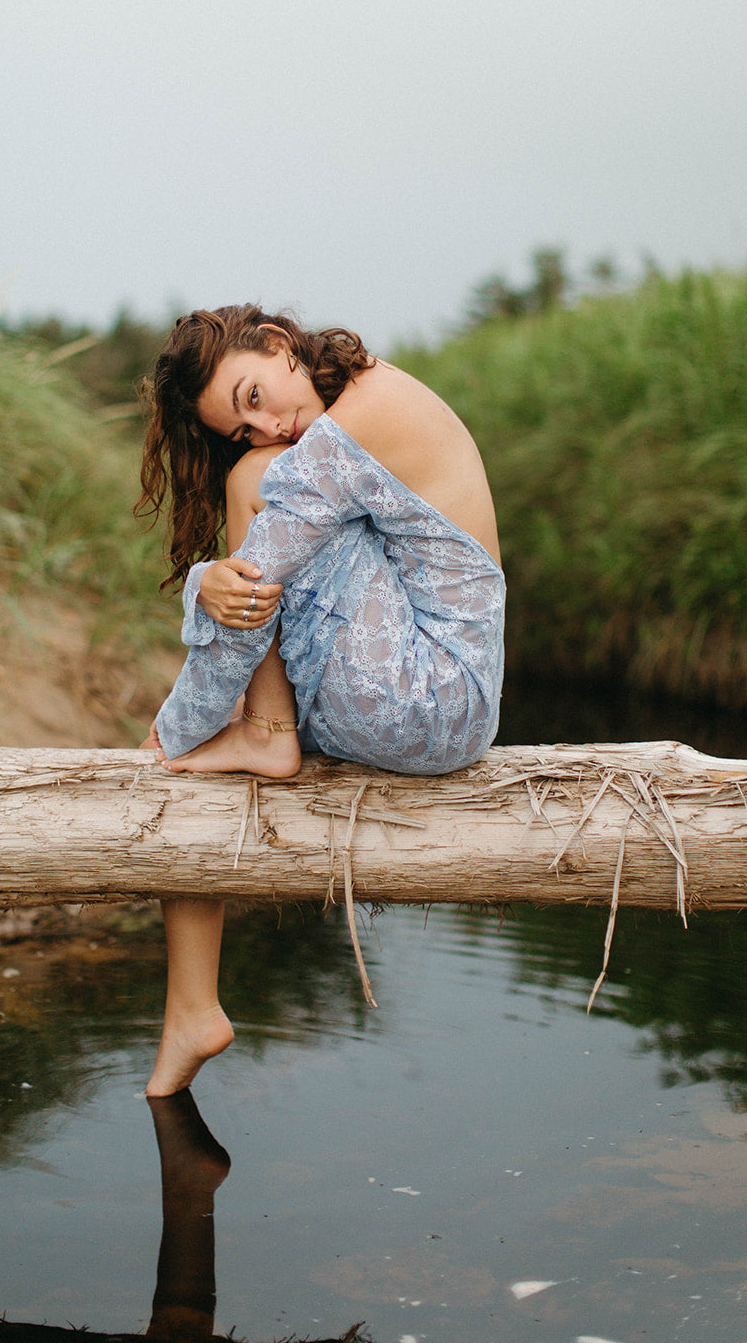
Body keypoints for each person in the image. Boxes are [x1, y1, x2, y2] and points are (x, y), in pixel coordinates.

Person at [136, 304, 505, 1094]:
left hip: (430, 693)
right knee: (207, 762)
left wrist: (171, 734)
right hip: (419, 692)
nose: (267, 427)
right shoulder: (339, 421)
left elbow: (253, 591)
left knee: (253, 492)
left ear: (278, 346)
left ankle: (268, 733)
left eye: (253, 397)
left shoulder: (372, 408)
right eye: (243, 428)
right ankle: (190, 1012)